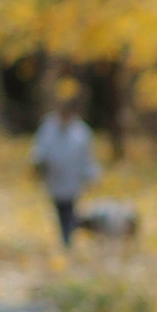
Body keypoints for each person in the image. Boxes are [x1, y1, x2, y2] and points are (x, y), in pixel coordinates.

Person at [30, 86, 99, 245]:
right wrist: (37, 165)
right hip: (54, 179)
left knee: (69, 209)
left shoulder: (81, 132)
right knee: (60, 210)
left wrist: (90, 175)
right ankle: (66, 235)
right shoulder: (48, 128)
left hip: (72, 180)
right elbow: (39, 151)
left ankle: (67, 238)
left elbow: (87, 157)